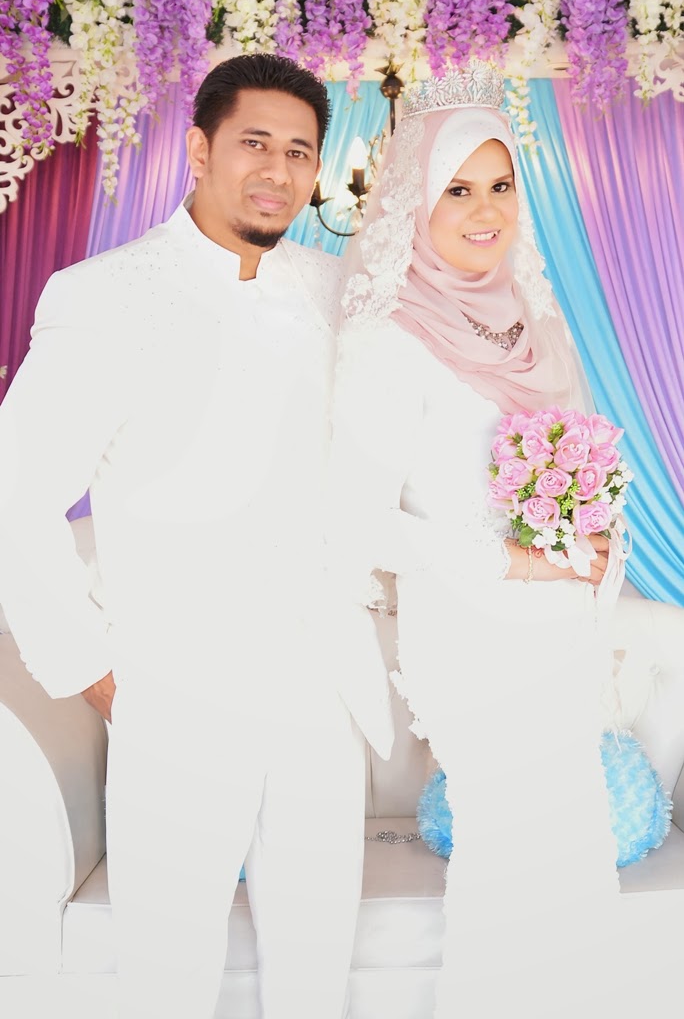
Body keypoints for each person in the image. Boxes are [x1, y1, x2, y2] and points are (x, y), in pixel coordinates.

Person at [0, 54, 393, 1019]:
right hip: (175, 694)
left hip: (320, 691)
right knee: (167, 980)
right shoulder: (103, 295)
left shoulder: (337, 291)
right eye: (255, 143)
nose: (278, 170)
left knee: (315, 975)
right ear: (199, 149)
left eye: (299, 151)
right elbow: (16, 494)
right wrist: (95, 674)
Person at [329, 59, 680, 1018]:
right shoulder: (389, 338)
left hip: (558, 640)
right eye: (456, 190)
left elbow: (578, 466)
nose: (484, 211)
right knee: (510, 863)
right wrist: (513, 558)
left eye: (499, 185)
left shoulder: (534, 323)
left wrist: (595, 545)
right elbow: (355, 517)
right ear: (415, 202)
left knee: (570, 857)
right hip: (472, 637)